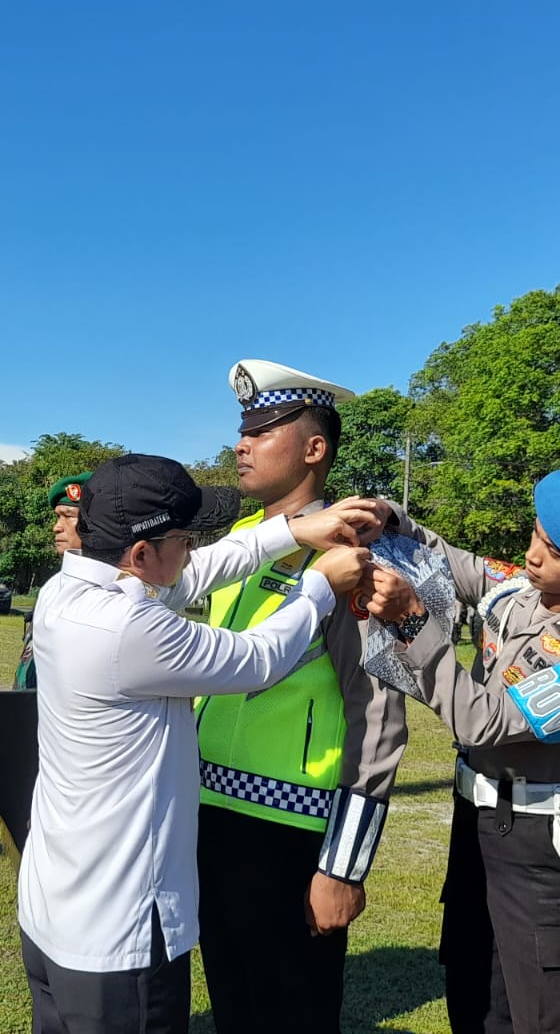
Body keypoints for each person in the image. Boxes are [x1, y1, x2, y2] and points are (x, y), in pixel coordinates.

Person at [17, 454, 377, 1034]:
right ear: (138, 555)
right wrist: (318, 585)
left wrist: (289, 530)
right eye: (183, 538)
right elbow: (259, 658)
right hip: (123, 934)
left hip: (58, 914)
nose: (191, 550)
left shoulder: (69, 589)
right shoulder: (129, 629)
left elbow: (196, 571)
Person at [360, 467, 560, 1034]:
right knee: (472, 993)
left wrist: (412, 621)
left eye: (554, 550)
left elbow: (483, 722)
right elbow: (455, 561)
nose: (533, 555)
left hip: (540, 848)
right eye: (537, 535)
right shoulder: (520, 591)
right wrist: (393, 519)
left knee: (545, 1010)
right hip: (475, 822)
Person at [194, 360, 410, 1034]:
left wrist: (343, 865)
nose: (242, 444)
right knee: (233, 1002)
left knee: (292, 1011)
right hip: (207, 812)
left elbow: (379, 713)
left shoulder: (357, 555)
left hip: (291, 829)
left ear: (314, 449)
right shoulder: (238, 542)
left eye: (262, 430)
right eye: (242, 430)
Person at [16, 472, 91, 691]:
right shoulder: (52, 587)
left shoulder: (115, 592)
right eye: (57, 517)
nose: (56, 527)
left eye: (68, 516)